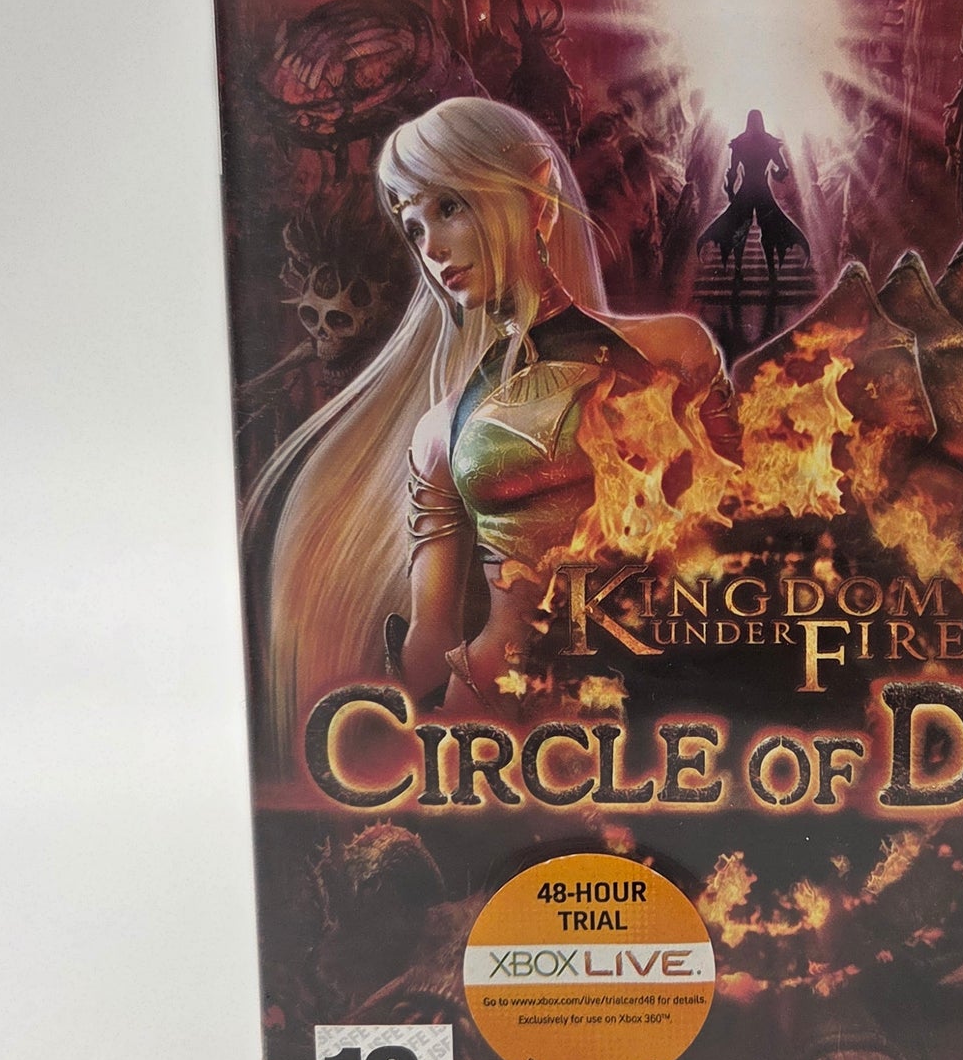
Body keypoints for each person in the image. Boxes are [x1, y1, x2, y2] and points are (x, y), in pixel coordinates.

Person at [247, 97, 735, 758]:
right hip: (496, 717)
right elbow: (431, 634)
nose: (432, 248)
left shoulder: (673, 349)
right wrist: (410, 728)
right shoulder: (441, 430)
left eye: (449, 206)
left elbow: (751, 519)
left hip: (665, 692)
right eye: (414, 228)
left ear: (536, 194)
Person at [697, 109, 810, 282]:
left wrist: (730, 191)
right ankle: (771, 273)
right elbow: (782, 169)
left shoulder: (739, 143)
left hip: (747, 190)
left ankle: (738, 272)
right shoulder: (769, 143)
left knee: (741, 231)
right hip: (762, 190)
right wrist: (776, 174)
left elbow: (732, 172)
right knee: (767, 230)